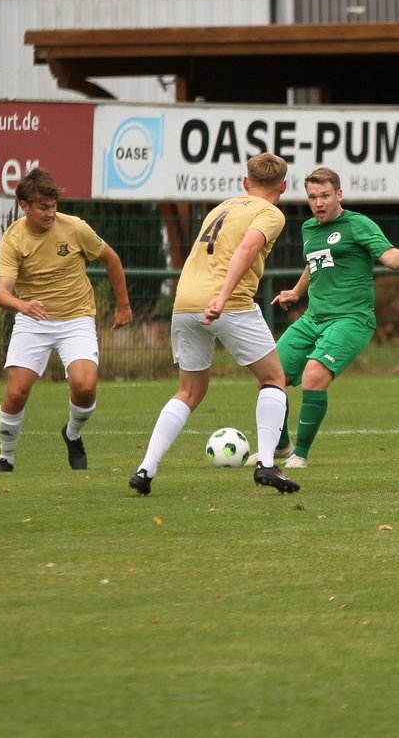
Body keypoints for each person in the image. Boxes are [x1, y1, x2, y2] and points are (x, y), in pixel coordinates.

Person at [128, 153, 300, 496]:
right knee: (273, 378)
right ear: (283, 186)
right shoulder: (270, 213)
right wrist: (222, 297)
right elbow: (247, 248)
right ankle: (267, 464)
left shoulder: (221, 208)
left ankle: (145, 468)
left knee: (189, 392)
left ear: (246, 182)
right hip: (228, 302)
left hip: (185, 301)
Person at [267, 167, 399, 467]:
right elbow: (315, 261)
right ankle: (280, 446)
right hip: (313, 319)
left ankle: (300, 455)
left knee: (313, 376)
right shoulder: (309, 228)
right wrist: (296, 291)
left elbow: (393, 259)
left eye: (325, 196)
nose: (318, 203)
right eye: (312, 197)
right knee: (268, 376)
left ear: (339, 195)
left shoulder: (358, 225)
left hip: (351, 319)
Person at [0, 167, 131, 473]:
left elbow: (111, 259)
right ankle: (6, 458)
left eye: (53, 206)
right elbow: (1, 294)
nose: (51, 213)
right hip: (33, 321)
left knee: (85, 386)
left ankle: (73, 433)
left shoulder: (75, 228)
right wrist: (23, 305)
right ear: (24, 206)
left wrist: (123, 306)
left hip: (76, 318)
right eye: (43, 207)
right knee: (16, 392)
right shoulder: (13, 239)